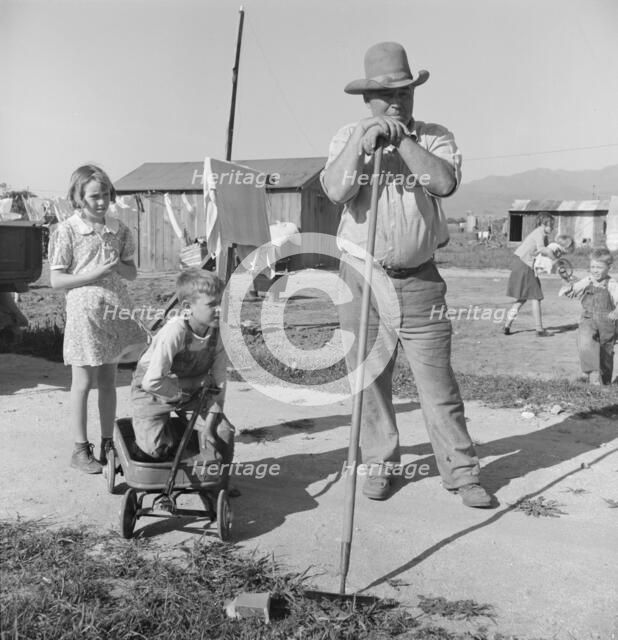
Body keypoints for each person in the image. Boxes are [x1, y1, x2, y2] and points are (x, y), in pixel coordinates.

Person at [321, 42, 492, 508]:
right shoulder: (345, 137)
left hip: (420, 280)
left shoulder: (434, 136)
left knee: (438, 386)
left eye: (405, 92)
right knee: (370, 384)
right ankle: (380, 466)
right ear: (367, 99)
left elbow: (443, 183)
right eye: (386, 94)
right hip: (362, 279)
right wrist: (364, 144)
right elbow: (336, 190)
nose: (397, 101)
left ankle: (461, 473)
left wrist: (402, 141)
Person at [48, 165, 147, 474]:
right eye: (94, 196)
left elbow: (131, 273)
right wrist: (97, 272)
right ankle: (80, 448)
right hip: (84, 318)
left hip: (114, 312)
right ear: (78, 197)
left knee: (108, 381)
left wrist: (116, 267)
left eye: (105, 195)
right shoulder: (68, 229)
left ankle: (108, 443)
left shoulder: (119, 229)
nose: (101, 202)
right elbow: (56, 280)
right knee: (82, 381)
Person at [130, 269, 235, 469]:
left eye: (222, 303)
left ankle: (220, 482)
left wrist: (210, 426)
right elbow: (151, 381)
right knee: (155, 449)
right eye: (212, 304)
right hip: (153, 392)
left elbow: (219, 384)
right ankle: (169, 433)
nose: (220, 310)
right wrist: (186, 388)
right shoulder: (175, 331)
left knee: (224, 432)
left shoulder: (220, 333)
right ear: (188, 307)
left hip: (192, 392)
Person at [559, 247, 618, 385]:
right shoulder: (588, 280)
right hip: (588, 319)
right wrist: (567, 284)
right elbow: (573, 291)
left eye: (599, 267)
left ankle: (605, 382)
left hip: (607, 322)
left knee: (606, 351)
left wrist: (616, 312)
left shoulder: (612, 284)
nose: (595, 270)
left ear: (609, 267)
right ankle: (591, 374)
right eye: (592, 266)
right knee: (584, 343)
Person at [503, 212, 556, 336]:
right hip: (525, 266)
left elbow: (544, 250)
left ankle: (506, 325)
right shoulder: (539, 233)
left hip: (521, 264)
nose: (552, 228)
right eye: (551, 225)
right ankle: (539, 330)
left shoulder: (541, 234)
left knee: (522, 298)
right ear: (544, 224)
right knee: (536, 297)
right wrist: (555, 259)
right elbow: (543, 249)